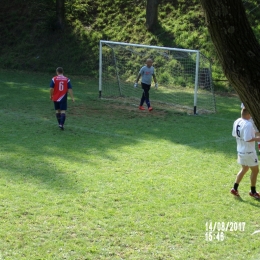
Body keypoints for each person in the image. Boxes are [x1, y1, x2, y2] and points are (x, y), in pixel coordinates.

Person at [231, 108, 260, 199]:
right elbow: (247, 138)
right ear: (249, 114)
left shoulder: (237, 121)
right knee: (255, 171)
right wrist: (258, 139)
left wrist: (257, 133)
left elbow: (235, 134)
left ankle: (234, 188)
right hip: (249, 152)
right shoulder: (248, 124)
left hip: (240, 150)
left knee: (245, 168)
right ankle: (253, 191)